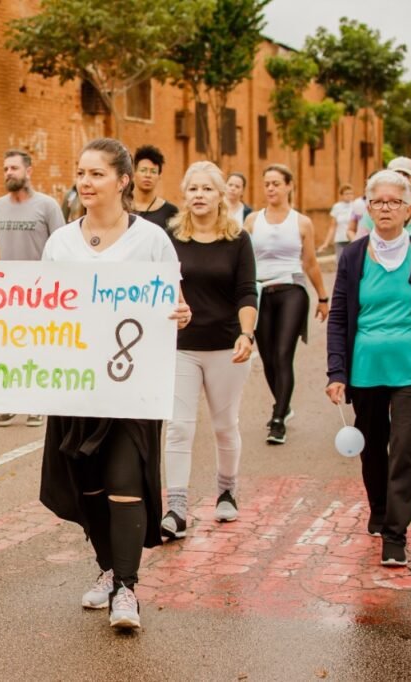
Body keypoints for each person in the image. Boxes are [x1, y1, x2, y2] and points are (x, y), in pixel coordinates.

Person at [40, 138, 191, 630]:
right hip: (76, 386)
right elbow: (38, 307)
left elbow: (174, 302)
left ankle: (127, 589)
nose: (85, 182)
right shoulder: (60, 242)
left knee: (126, 484)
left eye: (96, 174)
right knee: (88, 487)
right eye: (80, 173)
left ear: (123, 181)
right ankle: (106, 567)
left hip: (130, 387)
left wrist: (180, 313)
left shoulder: (151, 241)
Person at [326, 169, 411, 568]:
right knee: (373, 453)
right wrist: (336, 373)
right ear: (367, 208)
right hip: (365, 370)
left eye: (394, 201)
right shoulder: (352, 255)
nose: (385, 208)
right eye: (378, 201)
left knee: (402, 451)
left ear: (408, 209)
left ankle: (396, 535)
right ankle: (379, 510)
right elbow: (339, 318)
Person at [163, 162, 257, 539]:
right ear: (184, 196)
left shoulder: (238, 239)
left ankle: (227, 491)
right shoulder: (170, 240)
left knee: (224, 425)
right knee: (179, 428)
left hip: (226, 346)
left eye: (207, 189)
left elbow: (247, 291)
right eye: (192, 189)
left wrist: (246, 335)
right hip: (182, 347)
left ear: (222, 196)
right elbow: (160, 288)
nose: (199, 195)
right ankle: (177, 508)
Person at [244, 164, 329, 445]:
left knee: (282, 354)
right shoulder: (253, 221)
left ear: (289, 186)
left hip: (292, 289)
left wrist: (323, 297)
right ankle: (284, 404)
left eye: (276, 183)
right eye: (266, 183)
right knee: (268, 357)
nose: (270, 188)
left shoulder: (301, 222)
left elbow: (311, 263)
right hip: (260, 291)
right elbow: (243, 262)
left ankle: (278, 418)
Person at [0, 149, 64, 428]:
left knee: (37, 348)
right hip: (8, 293)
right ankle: (11, 403)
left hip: (41, 292)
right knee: (9, 348)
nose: (8, 173)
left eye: (14, 168)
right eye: (5, 169)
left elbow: (62, 246)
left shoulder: (48, 206)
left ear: (28, 171)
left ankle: (37, 404)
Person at [356, 157, 411, 247]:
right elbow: (359, 246)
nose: (402, 180)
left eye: (406, 175)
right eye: (396, 175)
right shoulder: (375, 210)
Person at [130, 144, 179, 230]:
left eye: (153, 171)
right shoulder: (122, 207)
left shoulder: (170, 211)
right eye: (143, 170)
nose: (148, 175)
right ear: (134, 173)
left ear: (159, 176)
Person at [319, 183, 356, 261]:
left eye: (351, 193)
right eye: (346, 194)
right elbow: (332, 226)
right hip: (340, 240)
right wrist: (326, 243)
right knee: (341, 264)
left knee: (353, 265)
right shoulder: (337, 207)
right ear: (341, 195)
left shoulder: (356, 206)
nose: (349, 195)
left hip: (353, 240)